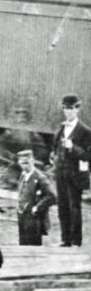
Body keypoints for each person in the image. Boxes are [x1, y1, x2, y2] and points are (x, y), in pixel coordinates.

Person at [51, 94, 91, 247]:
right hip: (60, 172)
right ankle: (65, 239)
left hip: (75, 174)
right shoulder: (61, 128)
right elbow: (55, 148)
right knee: (62, 205)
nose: (68, 112)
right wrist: (53, 155)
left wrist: (73, 148)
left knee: (74, 207)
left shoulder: (85, 131)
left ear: (78, 109)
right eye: (65, 109)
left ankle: (76, 241)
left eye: (71, 108)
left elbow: (89, 155)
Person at [0, 105, 49, 184]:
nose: (22, 121)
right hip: (13, 164)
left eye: (24, 119)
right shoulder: (9, 133)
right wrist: (11, 156)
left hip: (30, 165)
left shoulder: (33, 135)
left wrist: (34, 159)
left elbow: (42, 150)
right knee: (11, 179)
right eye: (20, 119)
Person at [16, 150, 56, 246]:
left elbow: (52, 196)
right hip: (22, 216)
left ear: (32, 161)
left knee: (33, 248)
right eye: (22, 163)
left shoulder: (40, 178)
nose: (25, 166)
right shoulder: (23, 175)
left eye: (27, 163)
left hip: (34, 219)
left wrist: (38, 207)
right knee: (23, 246)